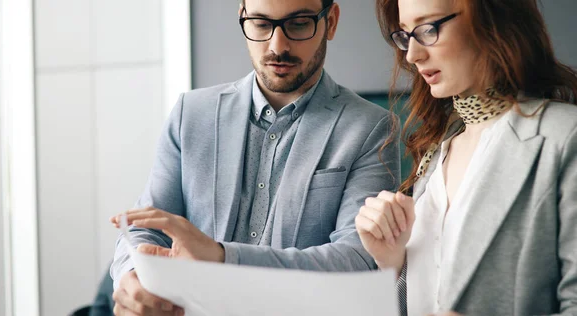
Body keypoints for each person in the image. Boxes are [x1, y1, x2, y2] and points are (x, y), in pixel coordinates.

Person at [109, 0, 401, 315]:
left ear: (330, 22)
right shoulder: (190, 114)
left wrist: (222, 258)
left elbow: (358, 261)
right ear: (243, 18)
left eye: (299, 23)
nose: (278, 45)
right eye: (261, 24)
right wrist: (131, 275)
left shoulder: (372, 128)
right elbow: (146, 226)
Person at [355, 0, 577, 315]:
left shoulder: (565, 137)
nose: (412, 55)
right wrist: (392, 261)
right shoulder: (436, 151)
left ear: (494, 17)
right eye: (405, 35)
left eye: (428, 28)